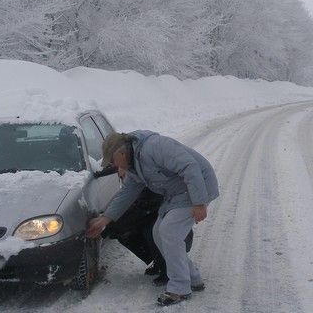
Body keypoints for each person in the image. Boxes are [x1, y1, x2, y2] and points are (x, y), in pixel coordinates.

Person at [86, 131, 219, 306]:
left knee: (169, 231)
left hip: (197, 186)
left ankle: (180, 288)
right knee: (159, 233)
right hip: (178, 193)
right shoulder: (134, 165)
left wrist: (200, 202)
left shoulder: (154, 147)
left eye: (112, 160)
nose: (112, 165)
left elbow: (189, 166)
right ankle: (193, 278)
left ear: (121, 153)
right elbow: (127, 192)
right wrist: (106, 218)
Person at [93, 166, 193, 285]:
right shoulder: (130, 167)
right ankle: (158, 262)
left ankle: (167, 270)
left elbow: (135, 207)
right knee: (124, 230)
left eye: (121, 173)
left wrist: (106, 228)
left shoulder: (143, 177)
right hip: (147, 210)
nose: (120, 177)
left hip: (161, 213)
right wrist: (97, 173)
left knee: (149, 231)